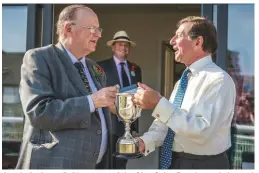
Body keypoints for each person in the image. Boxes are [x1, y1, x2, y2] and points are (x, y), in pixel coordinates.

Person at [16, 5, 118, 169]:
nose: (98, 35)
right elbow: (39, 111)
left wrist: (114, 105)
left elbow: (96, 114)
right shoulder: (39, 58)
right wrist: (93, 101)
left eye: (99, 29)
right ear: (68, 28)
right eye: (92, 29)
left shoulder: (94, 68)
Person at [133, 16, 236, 169]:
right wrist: (144, 142)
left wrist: (158, 103)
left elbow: (202, 131)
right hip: (175, 163)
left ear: (198, 42)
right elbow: (168, 123)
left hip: (205, 165)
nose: (172, 40)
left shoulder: (219, 80)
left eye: (179, 35)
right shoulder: (183, 81)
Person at [98, 30, 142, 169]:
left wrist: (134, 125)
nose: (123, 47)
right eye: (120, 44)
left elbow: (138, 96)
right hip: (108, 121)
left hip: (127, 124)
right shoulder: (100, 67)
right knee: (105, 161)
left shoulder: (136, 68)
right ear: (113, 47)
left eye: (126, 45)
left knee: (122, 163)